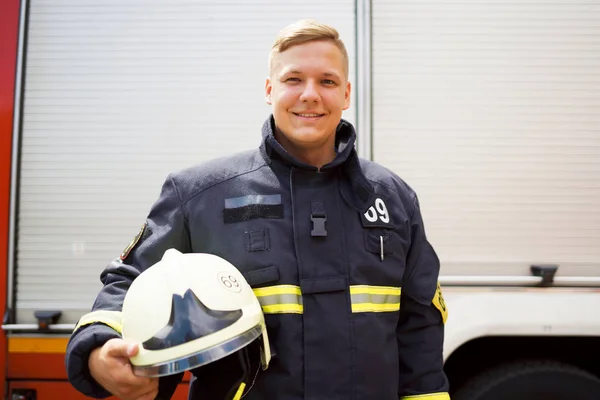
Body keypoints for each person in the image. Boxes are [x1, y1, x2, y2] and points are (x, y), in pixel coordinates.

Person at [65, 19, 450, 400]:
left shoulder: (393, 200)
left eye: (327, 81)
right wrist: (99, 351)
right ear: (270, 89)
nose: (310, 94)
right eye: (293, 79)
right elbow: (128, 284)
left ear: (346, 94)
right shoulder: (200, 195)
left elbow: (420, 334)